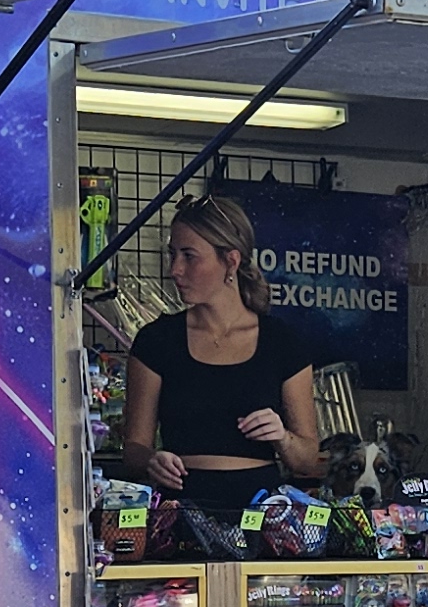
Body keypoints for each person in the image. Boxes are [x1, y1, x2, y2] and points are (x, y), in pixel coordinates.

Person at [117, 193, 321, 494]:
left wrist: (283, 437)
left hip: (260, 513)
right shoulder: (156, 341)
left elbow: (306, 461)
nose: (175, 269)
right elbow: (133, 449)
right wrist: (151, 460)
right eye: (172, 254)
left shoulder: (282, 343)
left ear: (231, 260)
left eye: (189, 255)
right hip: (181, 513)